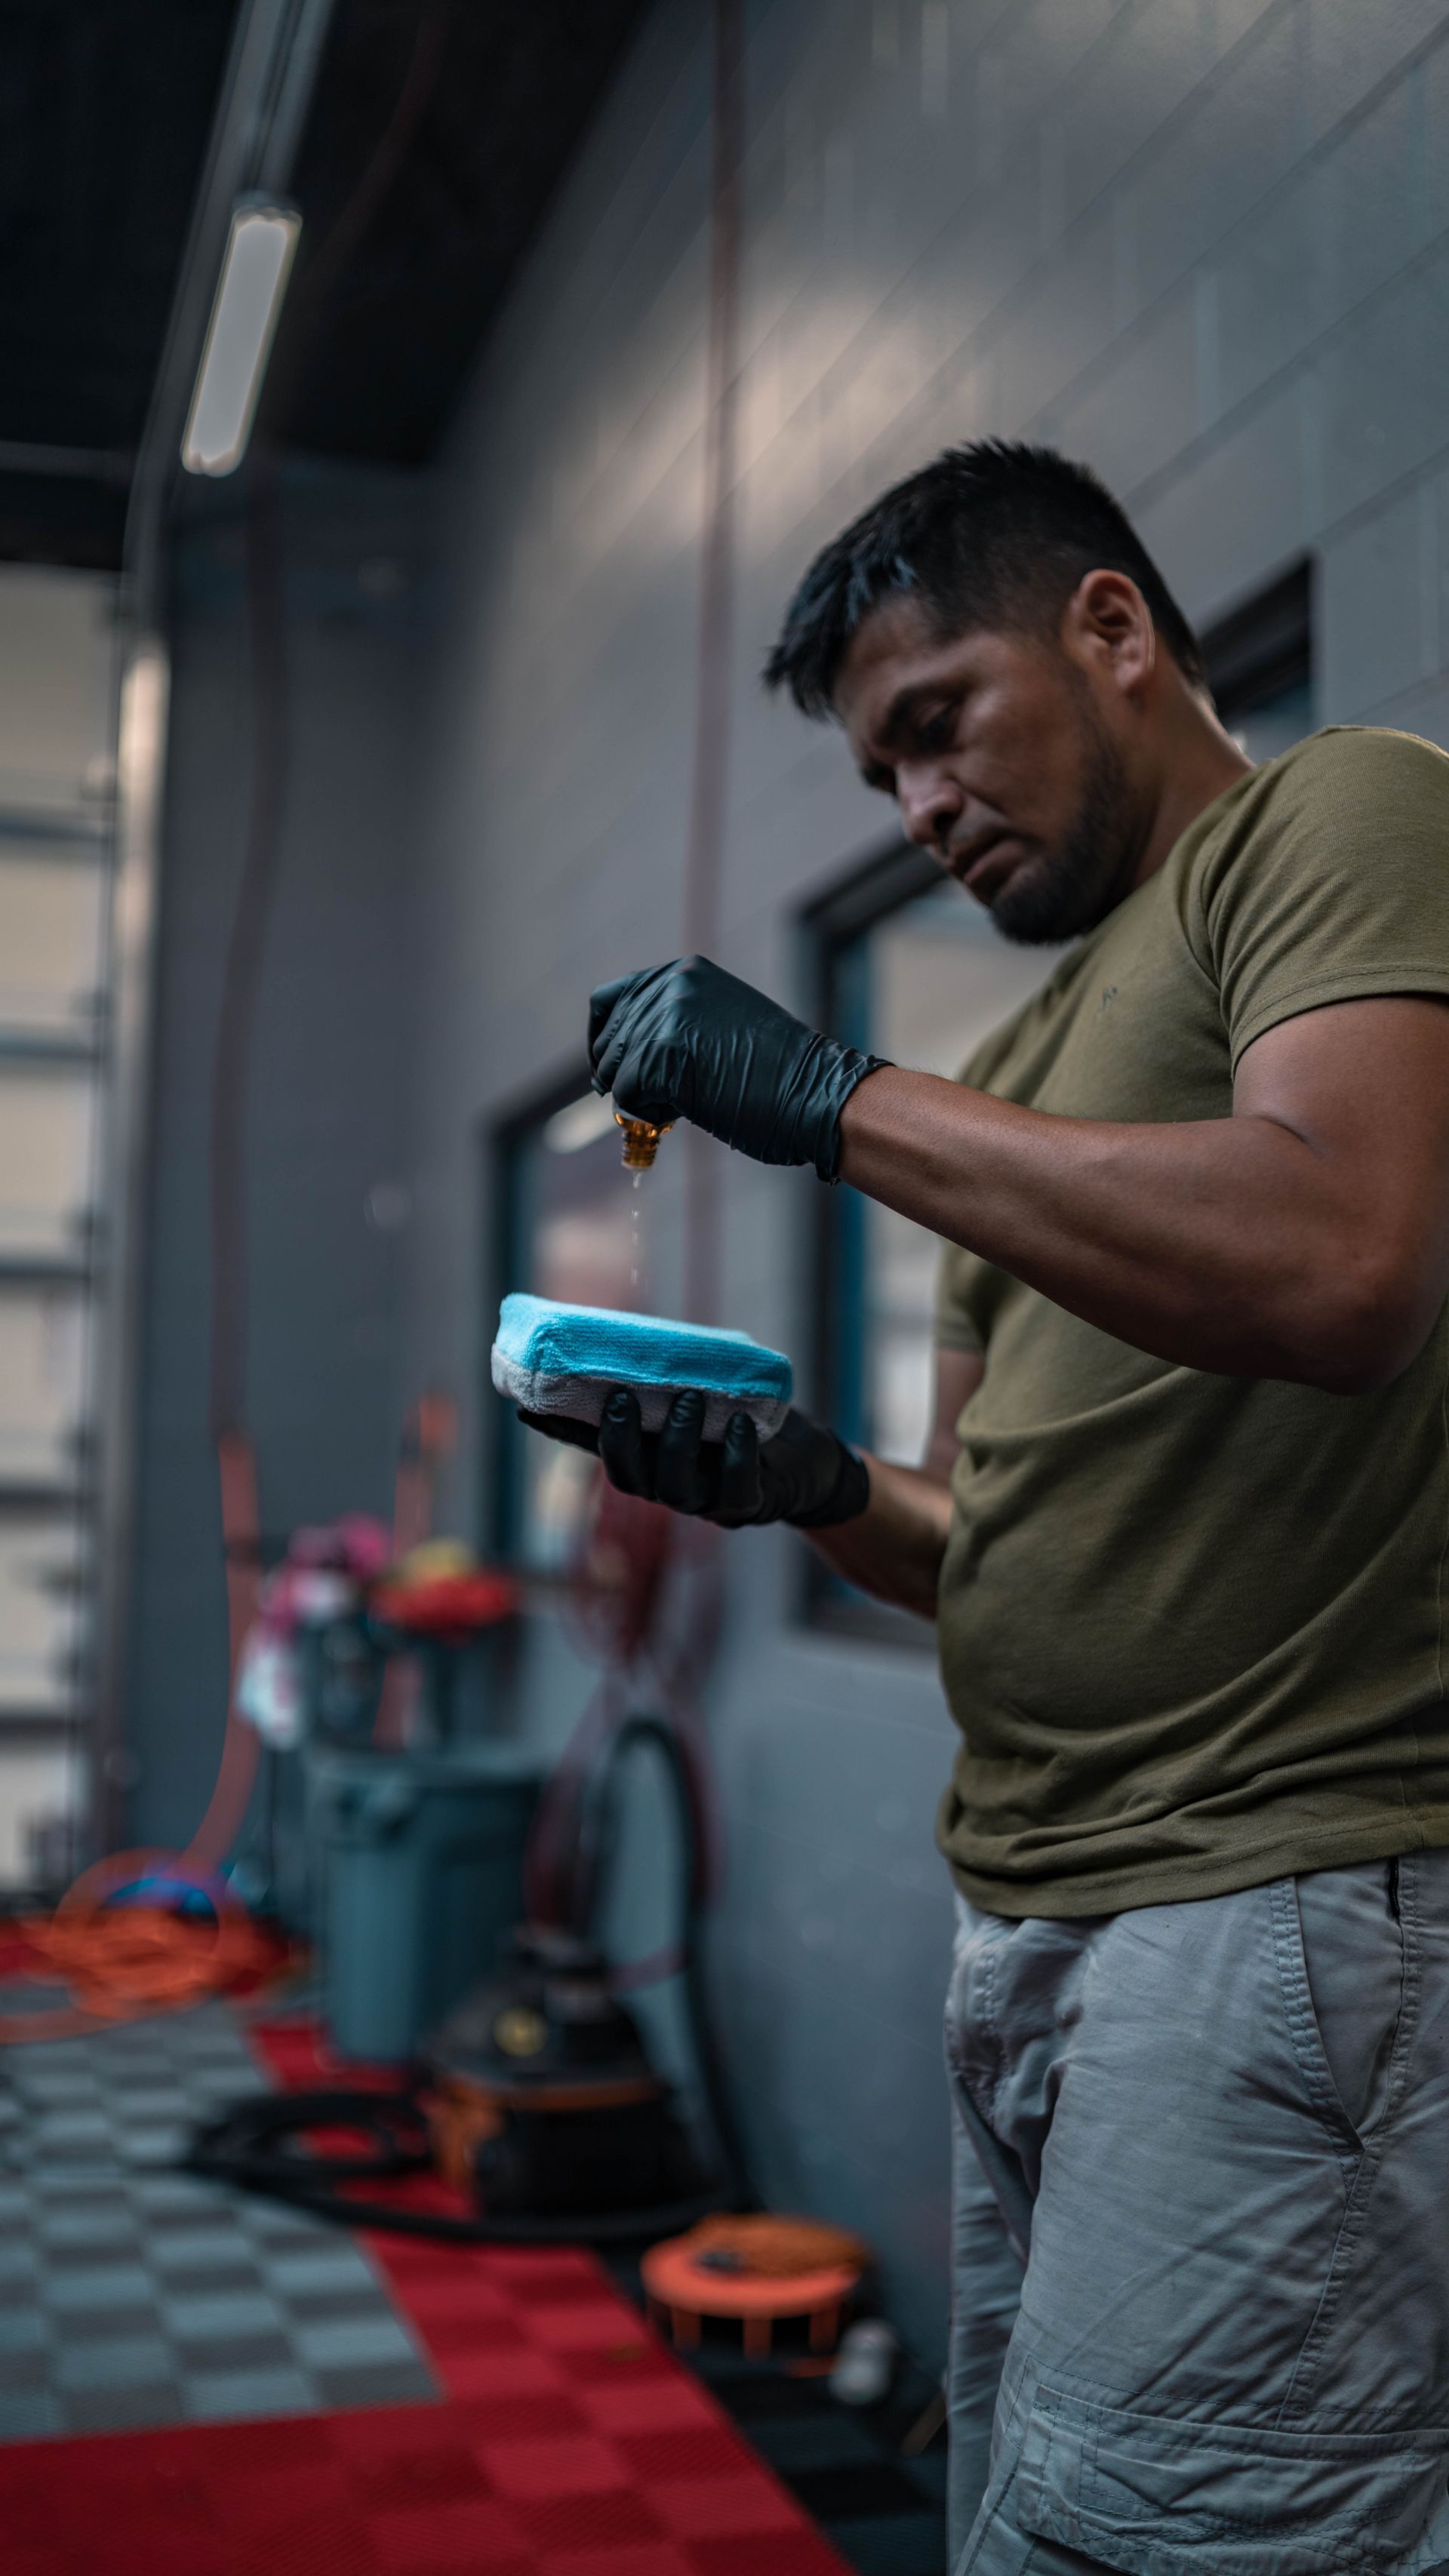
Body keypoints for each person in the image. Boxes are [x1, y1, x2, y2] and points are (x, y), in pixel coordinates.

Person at [523, 442, 1449, 2575]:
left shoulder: (1341, 819)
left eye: (937, 725)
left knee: (1189, 2543)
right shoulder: (1017, 1066)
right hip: (1033, 1918)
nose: (922, 808)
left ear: (1112, 631)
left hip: (1269, 1894)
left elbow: (1345, 1263)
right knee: (1032, 2529)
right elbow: (993, 1547)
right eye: (882, 781)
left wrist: (834, 1102)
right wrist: (819, 1489)